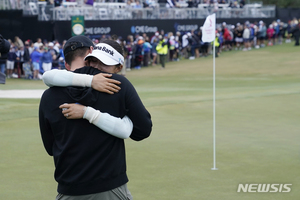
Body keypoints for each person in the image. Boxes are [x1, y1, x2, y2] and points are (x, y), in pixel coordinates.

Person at [39, 36, 152, 200]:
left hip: (68, 190)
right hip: (110, 188)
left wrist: (87, 113)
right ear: (89, 54)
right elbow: (142, 130)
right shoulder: (117, 85)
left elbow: (51, 148)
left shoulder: (49, 95)